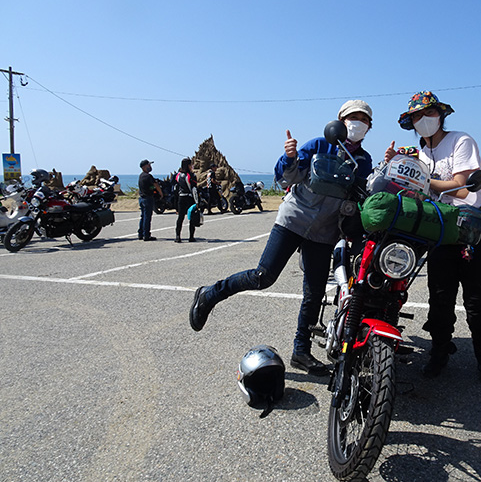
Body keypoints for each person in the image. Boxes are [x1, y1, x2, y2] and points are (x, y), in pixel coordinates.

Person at [189, 100, 374, 375]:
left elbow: (361, 195)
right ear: (339, 121)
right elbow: (288, 176)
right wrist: (289, 156)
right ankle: (210, 294)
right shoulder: (319, 145)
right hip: (293, 218)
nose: (357, 123)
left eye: (363, 120)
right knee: (263, 276)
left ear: (369, 127)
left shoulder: (364, 160)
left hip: (324, 231)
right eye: (352, 117)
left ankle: (301, 351)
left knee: (314, 293)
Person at [385, 91, 481, 386]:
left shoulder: (461, 141)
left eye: (429, 113)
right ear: (410, 122)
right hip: (439, 232)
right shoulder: (420, 154)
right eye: (416, 116)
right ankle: (438, 352)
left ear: (441, 115)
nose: (423, 120)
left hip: (475, 231)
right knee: (439, 298)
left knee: (477, 301)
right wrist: (395, 168)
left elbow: (463, 189)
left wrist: (420, 178)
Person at [138, 159, 163, 241]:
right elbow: (155, 185)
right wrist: (160, 193)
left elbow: (149, 187)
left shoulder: (141, 176)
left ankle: (141, 233)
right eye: (148, 165)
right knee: (147, 217)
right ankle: (146, 235)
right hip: (147, 198)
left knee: (143, 216)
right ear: (144, 167)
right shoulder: (148, 176)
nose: (150, 166)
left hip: (142, 198)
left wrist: (152, 188)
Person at [175, 157, 198, 243]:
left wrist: (176, 204)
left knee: (180, 217)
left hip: (180, 198)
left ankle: (178, 236)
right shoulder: (191, 176)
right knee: (191, 217)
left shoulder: (178, 175)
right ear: (188, 165)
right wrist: (197, 202)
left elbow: (175, 189)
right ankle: (191, 237)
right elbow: (194, 189)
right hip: (189, 198)